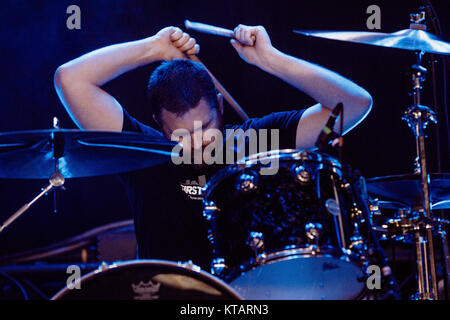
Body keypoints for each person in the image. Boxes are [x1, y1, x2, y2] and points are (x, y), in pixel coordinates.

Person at [54, 24, 372, 271]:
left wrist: (271, 60)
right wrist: (153, 47)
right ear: (159, 125)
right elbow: (70, 79)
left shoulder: (257, 140)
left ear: (220, 107)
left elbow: (354, 105)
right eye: (180, 135)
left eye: (204, 128)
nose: (196, 144)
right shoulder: (144, 154)